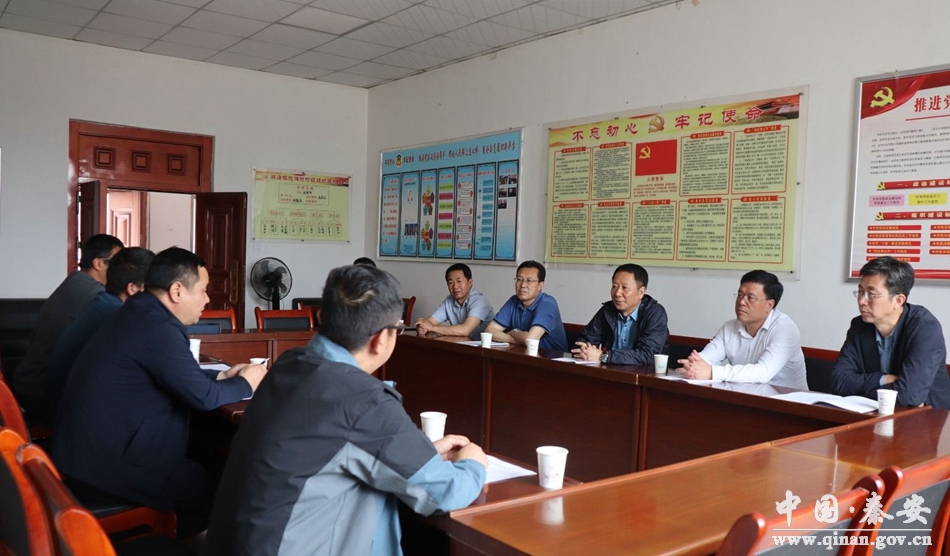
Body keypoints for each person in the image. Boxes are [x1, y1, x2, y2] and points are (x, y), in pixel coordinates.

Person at [207, 265, 488, 556]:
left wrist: (421, 452)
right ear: (382, 339)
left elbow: (334, 446)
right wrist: (473, 463)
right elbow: (445, 492)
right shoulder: (364, 400)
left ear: (321, 317)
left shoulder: (291, 363)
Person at [51, 247, 268, 537]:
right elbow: (203, 397)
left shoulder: (140, 311)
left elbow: (171, 374)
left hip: (86, 456)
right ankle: (150, 541)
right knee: (220, 486)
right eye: (203, 290)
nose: (207, 299)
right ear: (177, 290)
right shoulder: (157, 326)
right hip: (106, 469)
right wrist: (247, 383)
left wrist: (221, 374)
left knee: (206, 461)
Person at [12, 233, 123, 422]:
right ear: (98, 263)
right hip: (41, 390)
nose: (122, 269)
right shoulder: (96, 296)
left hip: (28, 382)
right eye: (117, 262)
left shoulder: (75, 282)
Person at [45, 247, 155, 426]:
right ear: (133, 289)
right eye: (154, 288)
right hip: (75, 419)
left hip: (64, 408)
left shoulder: (101, 304)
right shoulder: (120, 318)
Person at [831, 256, 950, 409]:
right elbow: (838, 382)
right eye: (860, 292)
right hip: (877, 414)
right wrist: (883, 379)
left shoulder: (925, 328)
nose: (862, 301)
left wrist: (858, 393)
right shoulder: (859, 326)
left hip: (930, 417)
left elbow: (908, 396)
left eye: (871, 295)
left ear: (898, 300)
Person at [678, 270, 807, 389]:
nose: (741, 302)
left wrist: (712, 372)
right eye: (740, 295)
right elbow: (703, 361)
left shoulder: (785, 329)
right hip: (746, 397)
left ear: (769, 305)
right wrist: (692, 366)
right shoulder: (729, 327)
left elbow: (762, 373)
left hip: (788, 401)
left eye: (750, 298)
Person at [572, 264, 669, 365]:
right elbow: (582, 340)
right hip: (609, 371)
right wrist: (584, 350)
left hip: (644, 373)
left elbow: (647, 355)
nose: (617, 293)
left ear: (641, 292)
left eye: (624, 288)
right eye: (614, 286)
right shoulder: (607, 310)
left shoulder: (655, 313)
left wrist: (603, 356)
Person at [485, 260, 568, 352]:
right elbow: (489, 331)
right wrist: (514, 340)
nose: (523, 285)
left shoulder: (547, 303)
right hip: (523, 354)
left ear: (540, 285)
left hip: (550, 357)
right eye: (519, 279)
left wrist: (514, 332)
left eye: (529, 280)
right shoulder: (514, 300)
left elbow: (530, 340)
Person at [415, 263, 495, 339]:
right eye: (451, 283)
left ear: (470, 282)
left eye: (459, 281)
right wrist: (422, 327)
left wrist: (432, 327)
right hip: (461, 345)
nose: (455, 286)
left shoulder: (480, 301)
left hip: (485, 347)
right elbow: (429, 322)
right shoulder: (449, 301)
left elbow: (465, 330)